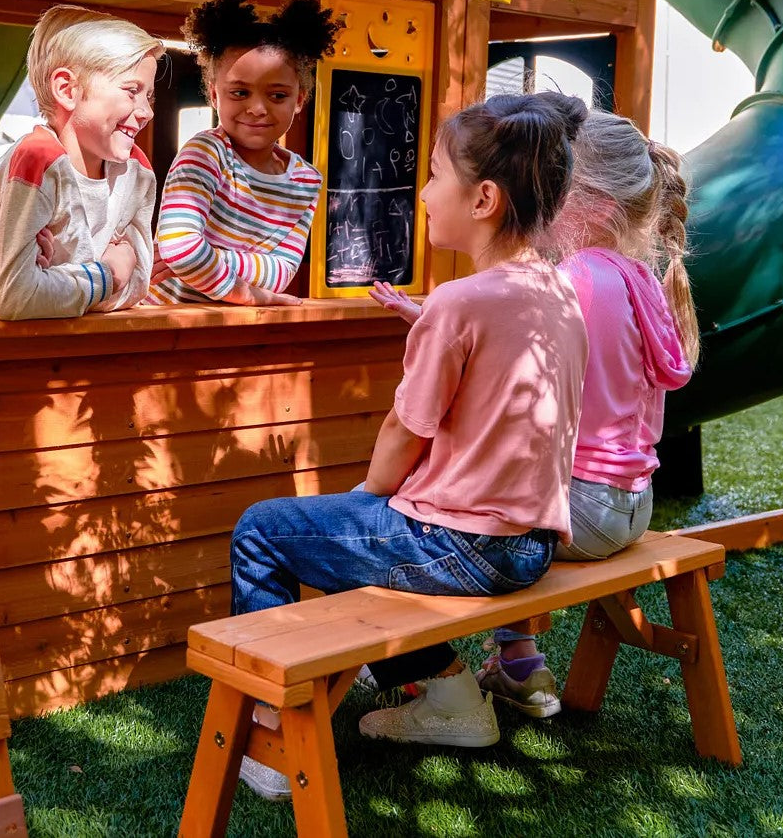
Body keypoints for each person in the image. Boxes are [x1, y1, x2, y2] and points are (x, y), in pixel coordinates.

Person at [230, 92, 590, 800]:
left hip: (464, 545)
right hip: (531, 544)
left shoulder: (461, 302)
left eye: (432, 174)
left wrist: (362, 499)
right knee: (344, 537)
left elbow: (405, 429)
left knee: (267, 531)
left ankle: (272, 744)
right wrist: (430, 316)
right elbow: (500, 348)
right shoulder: (557, 290)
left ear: (483, 198)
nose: (421, 191)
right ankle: (451, 699)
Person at [367, 107, 698, 722]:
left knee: (423, 506)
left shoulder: (573, 280)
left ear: (587, 205)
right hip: (633, 503)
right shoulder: (638, 277)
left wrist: (450, 327)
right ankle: (519, 663)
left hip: (581, 510)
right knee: (517, 485)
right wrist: (441, 319)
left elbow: (517, 379)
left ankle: (423, 672)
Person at [0, 5, 162, 320]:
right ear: (67, 89)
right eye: (132, 92)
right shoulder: (37, 160)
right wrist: (109, 275)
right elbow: (13, 300)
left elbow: (139, 284)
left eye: (150, 96)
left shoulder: (135, 170)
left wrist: (56, 282)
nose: (146, 112)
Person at [147, 0, 341, 306]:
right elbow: (181, 248)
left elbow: (282, 273)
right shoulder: (205, 154)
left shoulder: (306, 180)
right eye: (239, 93)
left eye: (277, 95)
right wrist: (248, 293)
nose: (257, 109)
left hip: (236, 333)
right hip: (166, 325)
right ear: (213, 95)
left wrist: (205, 258)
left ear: (299, 100)